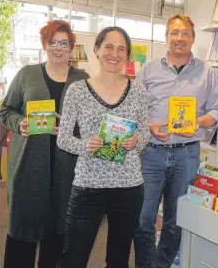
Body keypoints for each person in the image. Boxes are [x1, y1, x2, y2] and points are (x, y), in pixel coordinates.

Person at [134, 15, 218, 268]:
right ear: (167, 37)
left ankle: (162, 265)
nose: (180, 38)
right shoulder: (149, 69)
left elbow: (217, 111)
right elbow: (135, 109)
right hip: (151, 153)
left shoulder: (206, 71)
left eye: (185, 33)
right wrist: (149, 126)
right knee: (143, 218)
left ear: (193, 38)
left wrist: (198, 122)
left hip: (186, 154)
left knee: (175, 220)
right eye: (175, 33)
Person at [56, 26, 150, 268]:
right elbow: (63, 138)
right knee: (73, 257)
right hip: (88, 186)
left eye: (121, 49)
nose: (114, 54)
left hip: (129, 187)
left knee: (119, 260)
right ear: (97, 49)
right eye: (108, 46)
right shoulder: (77, 90)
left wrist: (136, 141)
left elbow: (146, 134)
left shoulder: (138, 91)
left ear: (127, 56)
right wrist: (85, 145)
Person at [0, 20, 89, 268]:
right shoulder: (27, 74)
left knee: (60, 232)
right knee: (23, 230)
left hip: (67, 168)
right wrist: (20, 124)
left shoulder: (83, 79)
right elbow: (6, 110)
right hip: (29, 166)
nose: (58, 48)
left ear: (71, 47)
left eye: (64, 43)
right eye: (53, 42)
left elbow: (92, 120)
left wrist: (75, 129)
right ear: (44, 44)